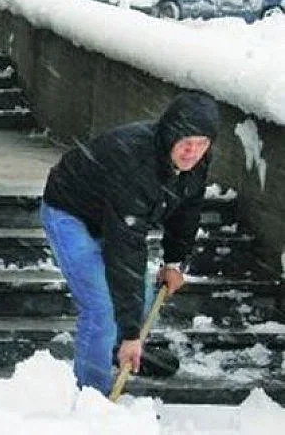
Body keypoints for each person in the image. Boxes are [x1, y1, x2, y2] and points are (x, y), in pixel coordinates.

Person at [40, 92, 219, 396]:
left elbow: (187, 208)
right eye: (186, 142)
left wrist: (174, 262)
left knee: (144, 294)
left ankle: (115, 350)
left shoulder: (194, 162)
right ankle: (91, 398)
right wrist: (132, 333)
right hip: (70, 212)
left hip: (110, 215)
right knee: (101, 307)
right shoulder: (136, 167)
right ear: (171, 135)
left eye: (202, 144)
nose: (192, 151)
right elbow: (123, 252)